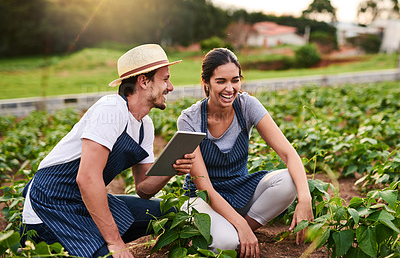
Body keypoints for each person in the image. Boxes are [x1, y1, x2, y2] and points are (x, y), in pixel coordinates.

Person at [20, 44, 195, 258]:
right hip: (51, 207)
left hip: (86, 202)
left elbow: (143, 189)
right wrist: (116, 243)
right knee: (110, 254)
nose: (171, 86)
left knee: (169, 212)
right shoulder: (111, 109)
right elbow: (87, 178)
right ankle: (35, 246)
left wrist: (171, 167)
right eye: (165, 79)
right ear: (143, 81)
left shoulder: (144, 126)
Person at [177, 48, 314, 258]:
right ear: (206, 82)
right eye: (221, 81)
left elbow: (289, 154)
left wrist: (305, 199)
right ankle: (229, 232)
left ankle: (240, 232)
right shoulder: (190, 119)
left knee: (289, 181)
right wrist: (240, 224)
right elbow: (205, 187)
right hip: (202, 197)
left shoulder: (246, 105)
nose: (230, 88)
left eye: (235, 80)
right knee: (226, 244)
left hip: (239, 190)